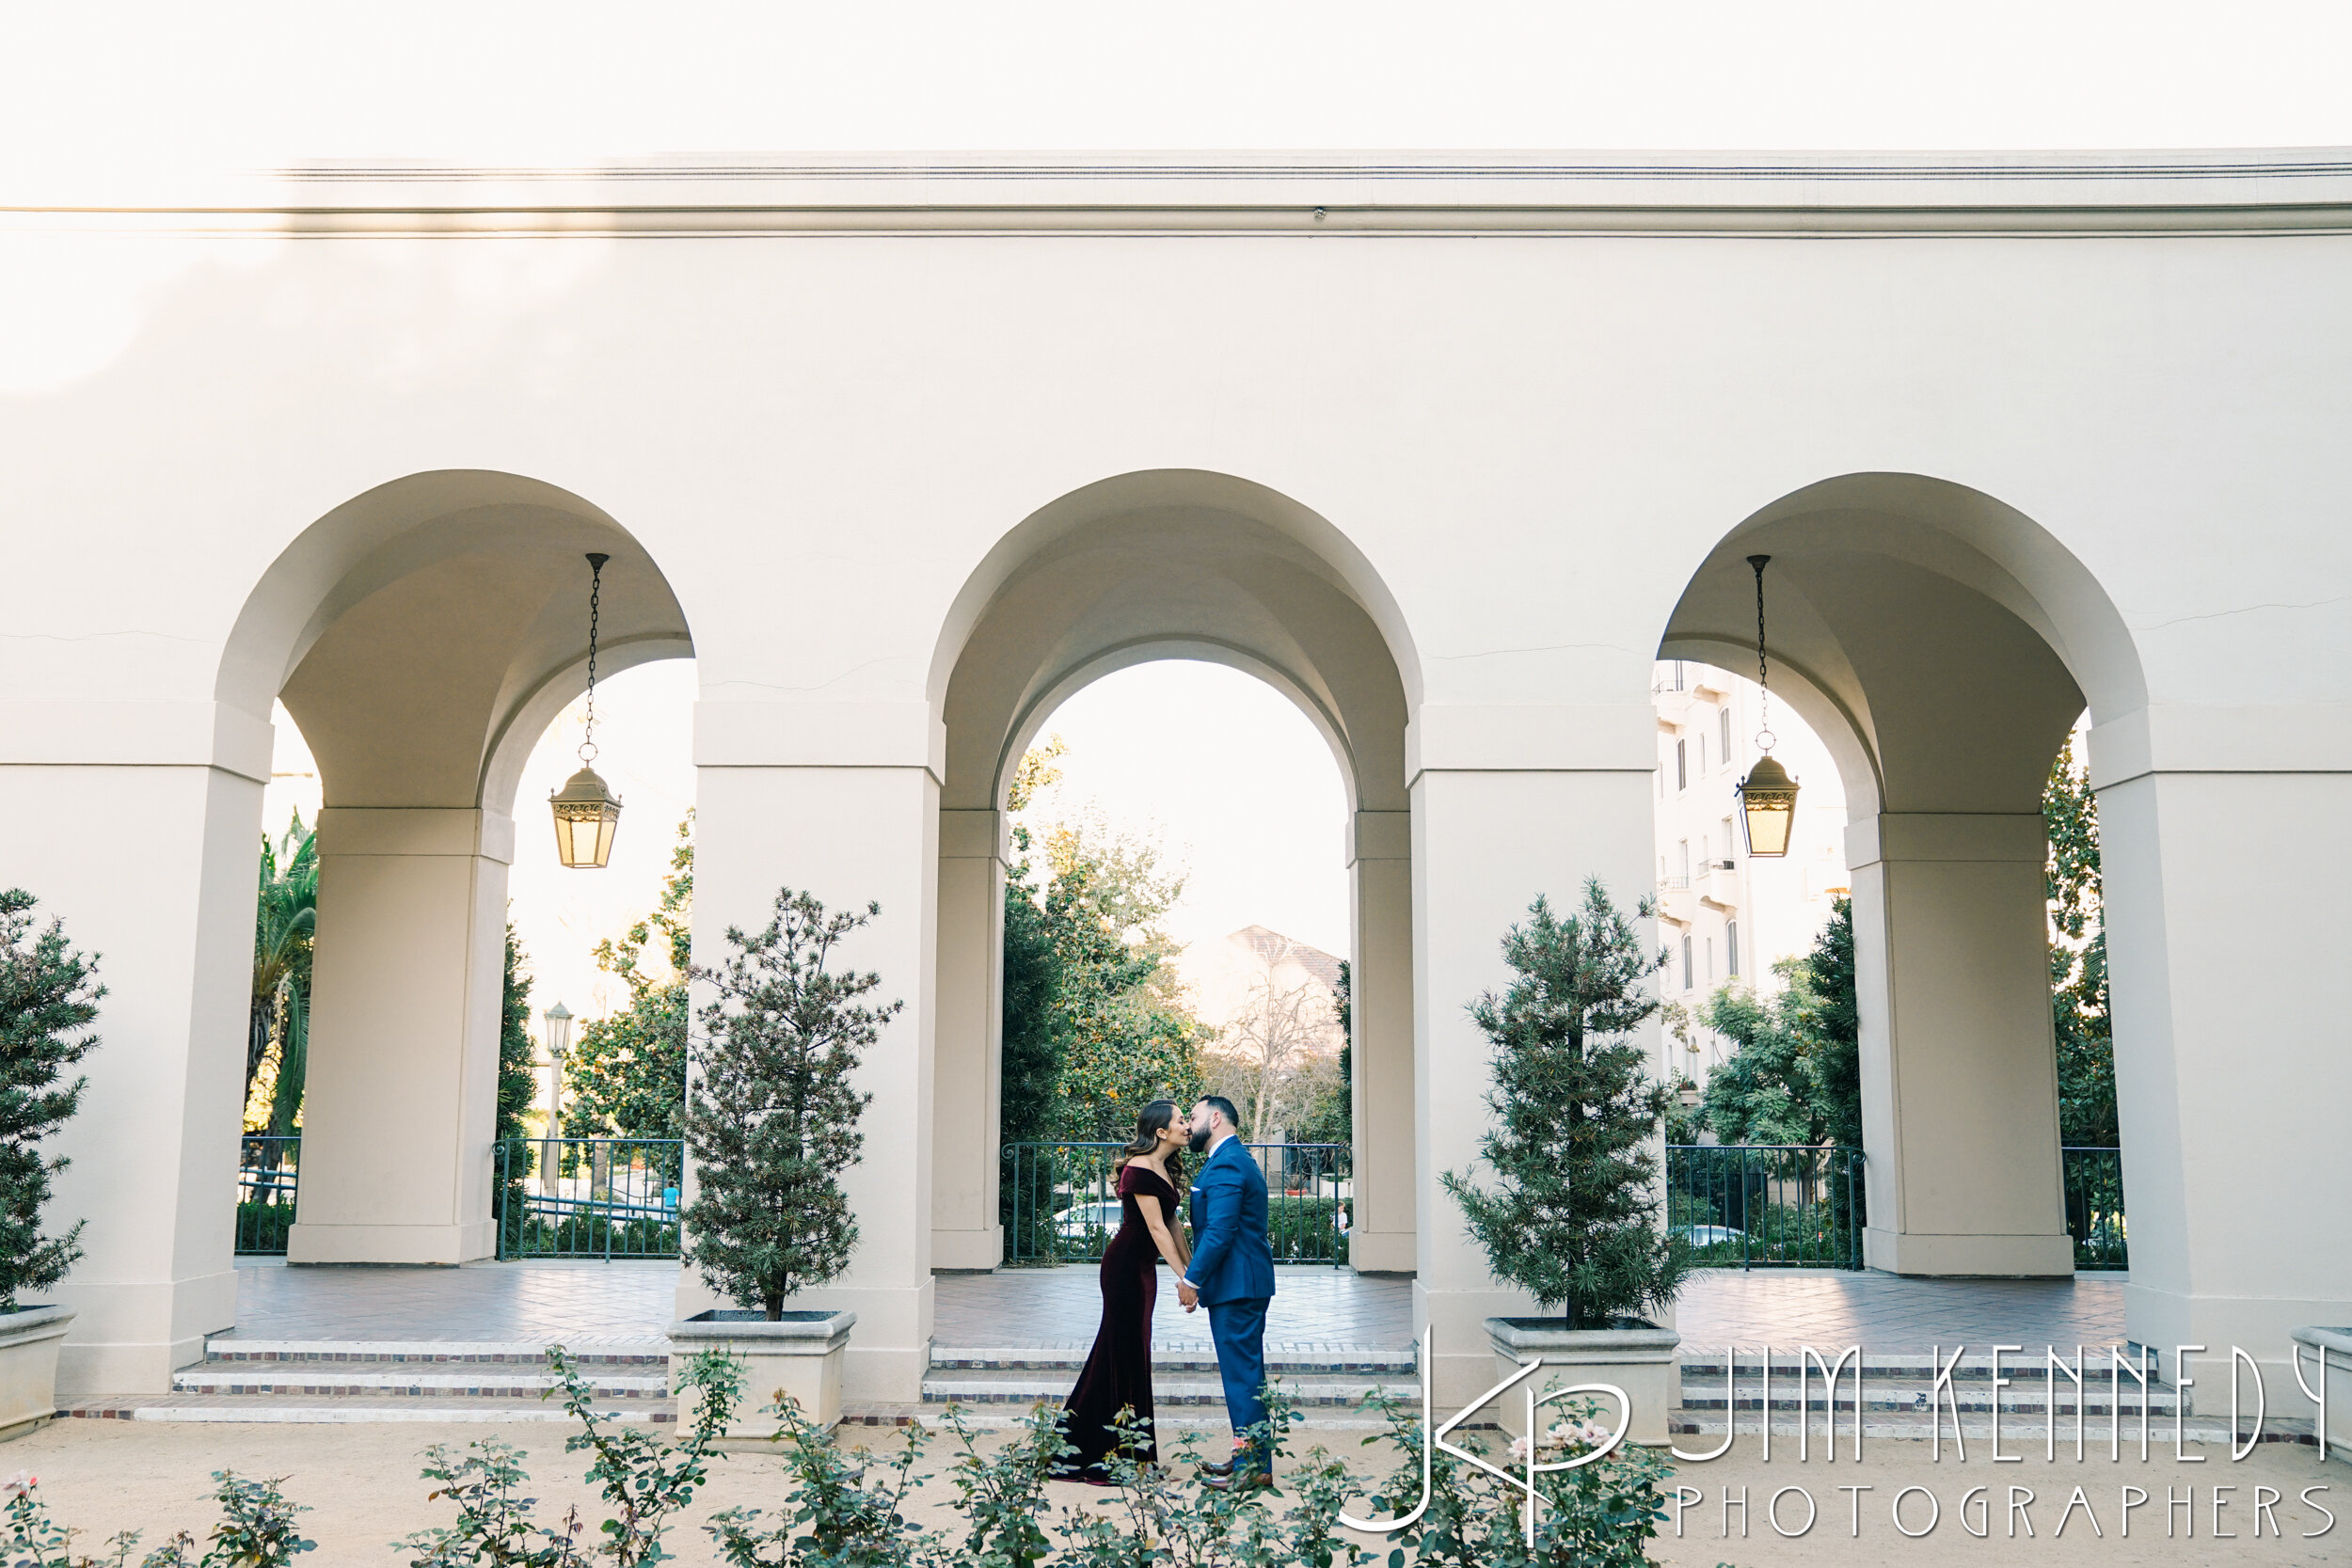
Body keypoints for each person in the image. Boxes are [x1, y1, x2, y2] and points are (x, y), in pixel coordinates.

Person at [1053, 1100, 1192, 1482]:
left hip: (1141, 1271)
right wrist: (1185, 1279)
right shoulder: (1139, 1168)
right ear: (1160, 1132)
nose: (1187, 1125)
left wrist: (1192, 1272)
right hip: (1125, 1271)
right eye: (1181, 1121)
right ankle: (1125, 1460)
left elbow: (1174, 1224)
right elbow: (1157, 1230)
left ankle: (1124, 1456)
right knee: (1124, 1357)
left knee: (1123, 1356)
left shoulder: (1161, 1167)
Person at [1176, 1094, 1277, 1488]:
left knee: (1243, 1380)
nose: (1189, 1124)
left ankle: (1254, 1467)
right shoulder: (1230, 1159)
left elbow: (1219, 1232)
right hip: (1239, 1285)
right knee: (1243, 1378)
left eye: (1194, 1115)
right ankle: (1247, 1459)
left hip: (1238, 1287)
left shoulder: (1228, 1163)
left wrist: (1191, 1281)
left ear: (1216, 1118)